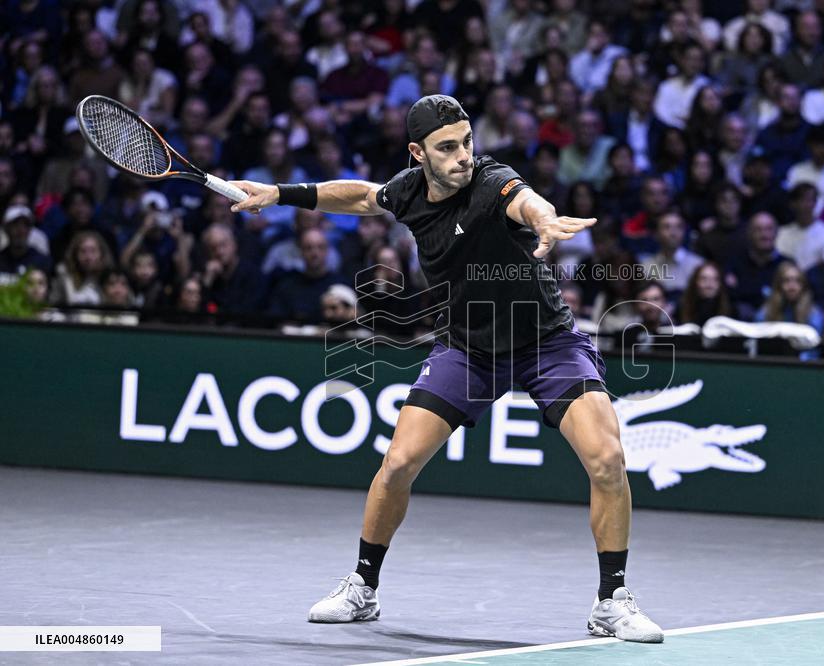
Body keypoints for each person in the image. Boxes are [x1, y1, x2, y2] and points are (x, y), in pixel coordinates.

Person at [229, 95, 663, 642]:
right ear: (418, 154)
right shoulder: (408, 190)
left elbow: (526, 201)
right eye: (448, 147)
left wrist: (546, 220)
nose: (463, 155)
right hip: (467, 348)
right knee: (398, 462)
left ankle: (612, 601)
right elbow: (363, 198)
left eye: (467, 142)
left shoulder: (490, 180)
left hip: (546, 342)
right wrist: (278, 193)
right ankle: (363, 588)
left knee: (607, 459)